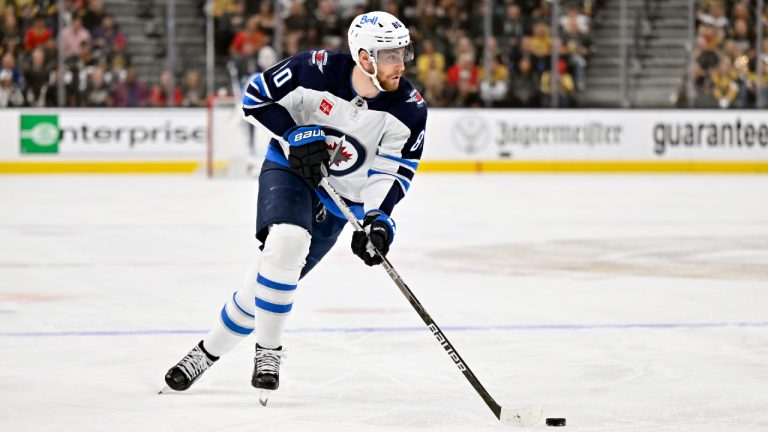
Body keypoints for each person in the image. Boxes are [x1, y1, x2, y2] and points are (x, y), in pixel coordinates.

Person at [163, 11, 427, 404]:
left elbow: (394, 171)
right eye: (389, 54)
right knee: (286, 242)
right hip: (291, 169)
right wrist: (293, 131)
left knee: (271, 280)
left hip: (341, 205)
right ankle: (269, 351)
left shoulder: (409, 109)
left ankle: (205, 353)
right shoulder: (312, 69)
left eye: (402, 52)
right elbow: (255, 98)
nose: (401, 63)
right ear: (364, 57)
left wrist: (377, 219)